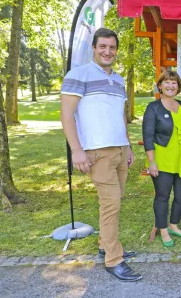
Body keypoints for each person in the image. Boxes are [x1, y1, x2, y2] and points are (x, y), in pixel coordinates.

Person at [60, 28, 141, 282]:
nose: (108, 51)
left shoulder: (118, 80)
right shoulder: (78, 75)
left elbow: (120, 116)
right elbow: (66, 115)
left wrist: (127, 146)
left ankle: (106, 245)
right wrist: (77, 151)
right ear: (94, 48)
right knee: (111, 203)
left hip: (119, 150)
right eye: (103, 46)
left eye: (112, 47)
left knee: (112, 203)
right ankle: (113, 260)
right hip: (97, 153)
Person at [142, 70, 181, 247]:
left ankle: (173, 224)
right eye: (167, 82)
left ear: (178, 87)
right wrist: (152, 162)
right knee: (163, 196)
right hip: (162, 159)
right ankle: (163, 229)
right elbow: (148, 136)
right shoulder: (153, 107)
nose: (171, 86)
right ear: (160, 86)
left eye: (174, 83)